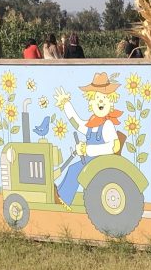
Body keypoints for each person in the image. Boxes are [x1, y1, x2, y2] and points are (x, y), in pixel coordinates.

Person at [53, 73, 123, 205]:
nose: (101, 101)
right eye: (97, 98)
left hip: (101, 160)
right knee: (73, 167)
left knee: (75, 170)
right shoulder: (92, 123)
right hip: (90, 160)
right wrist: (66, 104)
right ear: (91, 102)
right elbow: (77, 123)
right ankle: (61, 195)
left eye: (104, 97)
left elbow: (114, 146)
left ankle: (64, 198)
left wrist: (88, 149)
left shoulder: (107, 125)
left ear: (110, 101)